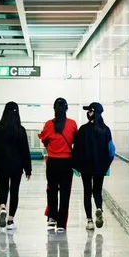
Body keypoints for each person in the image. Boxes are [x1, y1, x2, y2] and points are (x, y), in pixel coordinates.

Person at [0, 101, 32, 230]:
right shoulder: (20, 130)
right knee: (14, 191)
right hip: (17, 166)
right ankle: (11, 220)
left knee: (3, 188)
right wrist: (28, 169)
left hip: (2, 164)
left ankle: (2, 207)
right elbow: (25, 150)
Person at [72, 102, 115, 230]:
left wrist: (76, 167)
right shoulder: (105, 130)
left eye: (89, 111)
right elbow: (111, 150)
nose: (88, 113)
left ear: (92, 113)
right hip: (99, 167)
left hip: (86, 167)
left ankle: (90, 221)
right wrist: (106, 165)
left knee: (87, 192)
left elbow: (77, 149)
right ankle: (99, 208)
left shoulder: (83, 130)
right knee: (97, 190)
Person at [38, 98, 77, 232]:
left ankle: (52, 218)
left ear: (54, 109)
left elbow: (43, 139)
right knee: (65, 193)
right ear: (66, 109)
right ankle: (61, 224)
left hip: (52, 163)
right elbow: (75, 141)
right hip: (67, 162)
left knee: (52, 190)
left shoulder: (49, 124)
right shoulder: (72, 124)